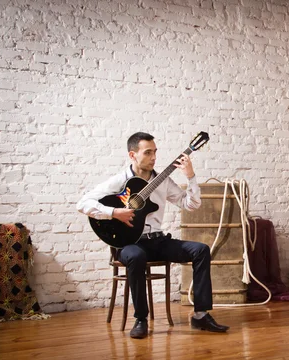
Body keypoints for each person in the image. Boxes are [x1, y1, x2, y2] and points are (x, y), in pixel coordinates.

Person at [77, 132, 229, 339]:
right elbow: (83, 203)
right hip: (129, 244)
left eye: (155, 152)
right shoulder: (121, 180)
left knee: (200, 250)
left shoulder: (161, 181)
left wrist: (191, 177)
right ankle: (141, 319)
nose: (153, 157)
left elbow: (191, 204)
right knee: (136, 256)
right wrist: (115, 212)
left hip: (157, 241)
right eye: (147, 153)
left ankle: (201, 314)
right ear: (133, 155)